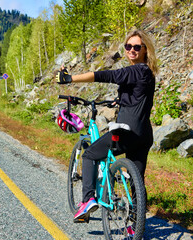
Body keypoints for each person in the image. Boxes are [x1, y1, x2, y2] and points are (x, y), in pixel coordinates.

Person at [56, 29, 159, 228]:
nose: (131, 51)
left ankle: (87, 200)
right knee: (136, 181)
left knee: (89, 155)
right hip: (144, 133)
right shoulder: (148, 73)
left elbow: (106, 75)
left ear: (145, 49)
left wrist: (71, 79)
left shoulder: (137, 69)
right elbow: (136, 97)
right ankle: (135, 225)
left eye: (137, 47)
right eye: (128, 46)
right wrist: (117, 102)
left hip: (127, 131)